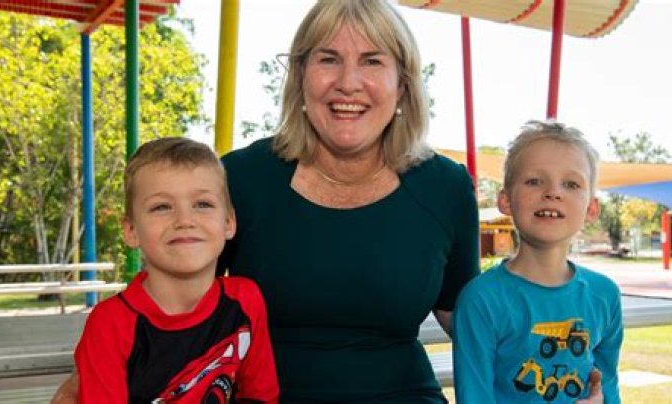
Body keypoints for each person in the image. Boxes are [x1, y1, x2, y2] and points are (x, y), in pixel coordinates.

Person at [53, 0, 479, 402]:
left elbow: (471, 321)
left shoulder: (445, 187)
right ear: (300, 76)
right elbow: (164, 300)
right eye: (328, 59)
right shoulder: (240, 178)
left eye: (372, 61)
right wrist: (80, 385)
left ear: (402, 84)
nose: (348, 82)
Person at [73, 137, 278, 403]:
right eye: (161, 207)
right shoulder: (109, 325)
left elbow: (260, 395)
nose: (184, 220)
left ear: (228, 222)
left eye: (202, 204)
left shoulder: (245, 300)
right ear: (131, 230)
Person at [452, 120, 623, 403]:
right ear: (506, 201)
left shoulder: (604, 295)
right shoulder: (481, 300)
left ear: (591, 209)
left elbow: (608, 388)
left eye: (571, 184)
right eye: (534, 181)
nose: (553, 192)